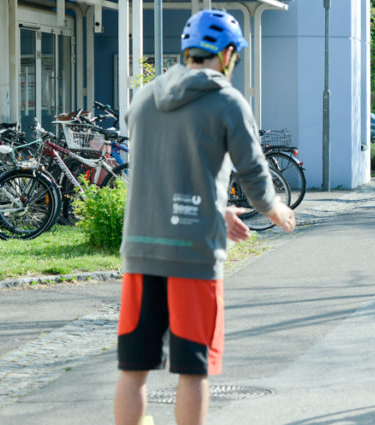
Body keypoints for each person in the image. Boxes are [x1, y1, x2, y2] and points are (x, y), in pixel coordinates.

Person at [114, 10, 296, 425]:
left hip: (141, 250)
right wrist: (275, 209)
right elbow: (252, 172)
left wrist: (217, 209)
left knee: (133, 369)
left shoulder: (143, 98)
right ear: (227, 54)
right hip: (193, 255)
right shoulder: (227, 101)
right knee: (192, 370)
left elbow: (164, 170)